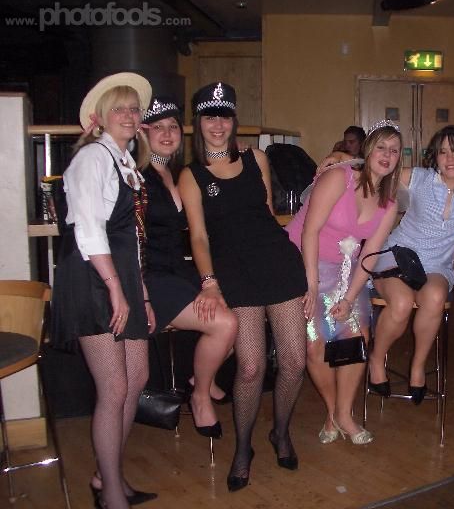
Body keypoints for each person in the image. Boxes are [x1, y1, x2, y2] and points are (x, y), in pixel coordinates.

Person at [178, 82, 308, 492]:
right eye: (209, 117)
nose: (218, 124)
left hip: (277, 263)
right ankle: (243, 447)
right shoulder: (191, 175)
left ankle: (281, 432)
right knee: (250, 367)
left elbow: (266, 212)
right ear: (199, 122)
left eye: (225, 116)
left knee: (294, 361)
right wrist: (209, 282)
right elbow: (199, 237)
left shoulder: (257, 158)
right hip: (233, 271)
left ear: (234, 121)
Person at [51, 72, 156, 508]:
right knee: (113, 388)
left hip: (121, 276)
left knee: (137, 378)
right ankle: (111, 491)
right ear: (99, 118)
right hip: (93, 278)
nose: (129, 115)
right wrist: (116, 287)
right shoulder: (92, 158)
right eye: (119, 109)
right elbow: (89, 230)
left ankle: (105, 474)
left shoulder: (126, 162)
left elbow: (133, 238)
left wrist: (140, 292)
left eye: (134, 108)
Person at [286, 120, 401, 445]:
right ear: (368, 149)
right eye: (381, 147)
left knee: (356, 335)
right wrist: (311, 285)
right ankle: (332, 410)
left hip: (345, 269)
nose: (386, 155)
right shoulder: (339, 177)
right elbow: (309, 231)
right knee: (314, 344)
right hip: (301, 261)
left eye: (394, 151)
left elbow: (370, 255)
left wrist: (350, 298)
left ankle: (344, 413)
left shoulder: (389, 202)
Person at [140, 97, 238, 437]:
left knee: (243, 310)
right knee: (225, 324)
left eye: (172, 127)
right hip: (149, 275)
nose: (167, 134)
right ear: (143, 133)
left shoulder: (176, 172)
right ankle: (199, 397)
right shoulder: (135, 175)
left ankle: (201, 378)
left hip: (178, 270)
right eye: (158, 128)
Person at [366, 125, 454, 405]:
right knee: (402, 302)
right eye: (443, 152)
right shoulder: (418, 177)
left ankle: (417, 366)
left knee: (436, 297)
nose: (449, 158)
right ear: (435, 156)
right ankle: (376, 359)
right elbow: (374, 171)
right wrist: (340, 160)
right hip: (396, 255)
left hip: (436, 265)